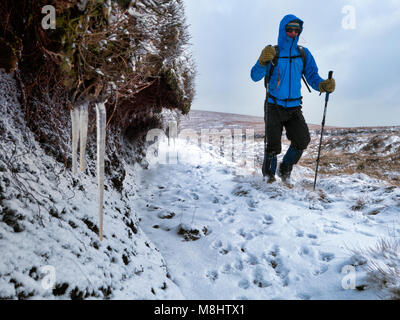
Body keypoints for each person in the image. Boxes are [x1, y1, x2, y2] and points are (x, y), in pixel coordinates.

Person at [251, 14, 335, 184]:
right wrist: (261, 62)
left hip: (294, 107)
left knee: (302, 139)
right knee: (273, 145)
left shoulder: (303, 54)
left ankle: (284, 169)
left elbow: (312, 76)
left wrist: (323, 85)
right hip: (273, 105)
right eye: (290, 29)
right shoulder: (272, 53)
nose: (293, 33)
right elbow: (254, 76)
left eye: (297, 30)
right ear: (283, 30)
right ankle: (268, 177)